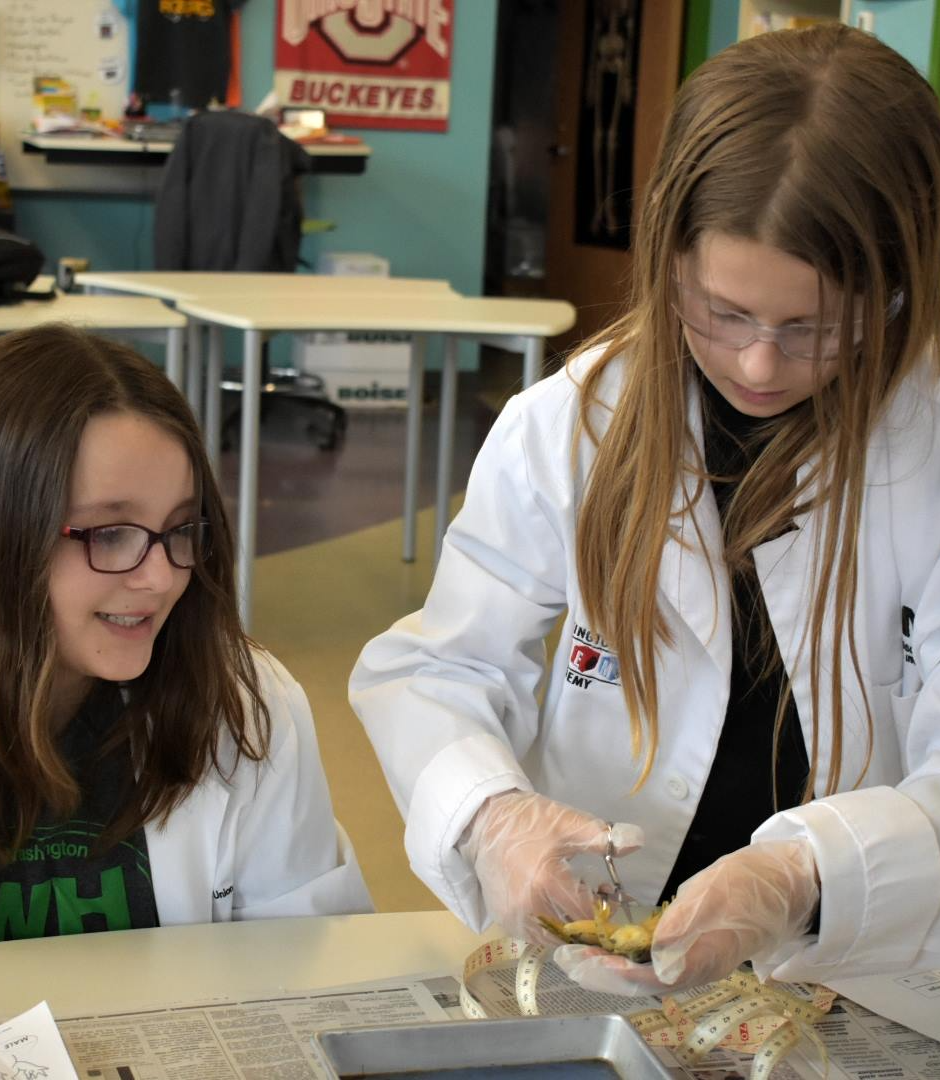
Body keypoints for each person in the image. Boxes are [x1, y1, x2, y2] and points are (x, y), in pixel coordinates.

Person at [350, 24, 940, 993]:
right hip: (606, 953)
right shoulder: (571, 427)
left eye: (813, 327)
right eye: (723, 311)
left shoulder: (928, 450)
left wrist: (808, 873)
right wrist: (493, 813)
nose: (759, 364)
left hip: (874, 973)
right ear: (668, 259)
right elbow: (436, 665)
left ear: (904, 283)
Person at [0, 323, 371, 955]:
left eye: (181, 528)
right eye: (108, 534)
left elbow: (313, 965)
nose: (160, 577)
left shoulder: (245, 702)